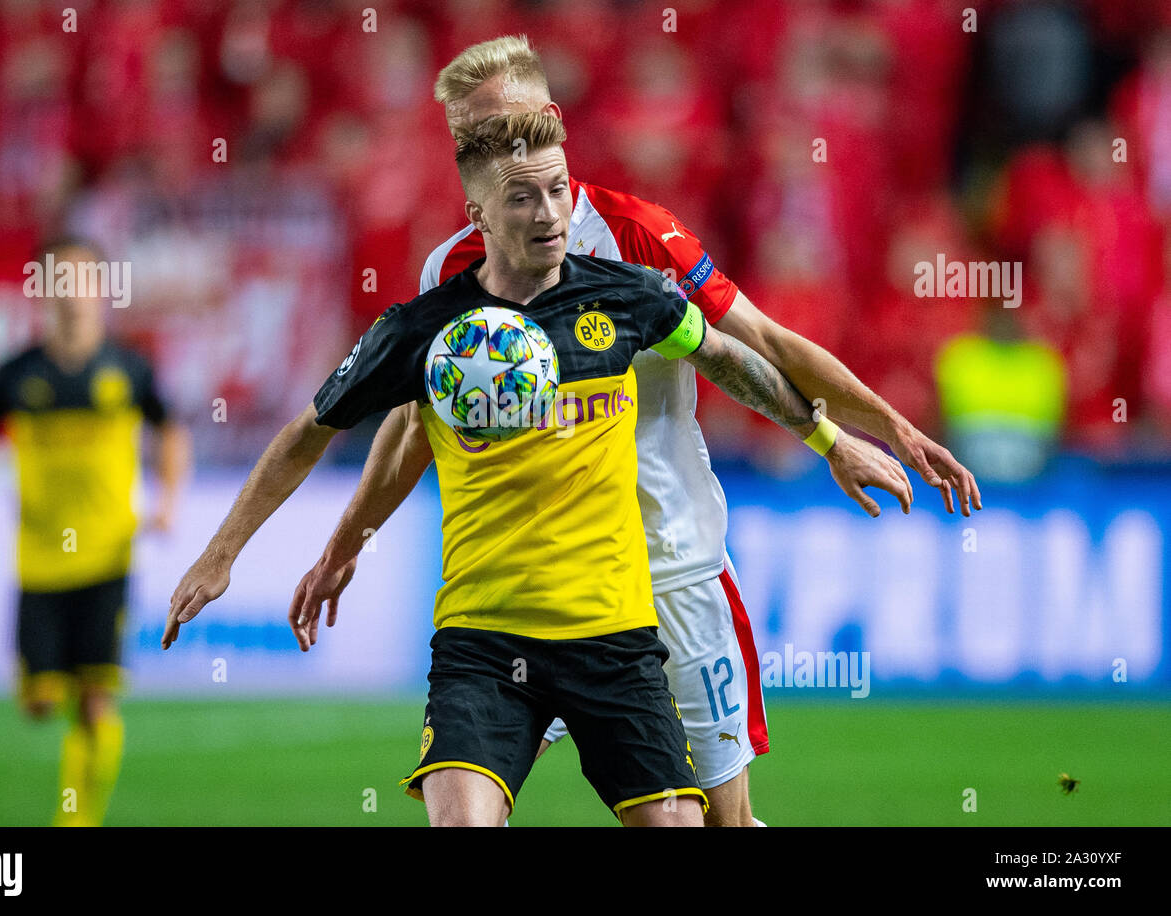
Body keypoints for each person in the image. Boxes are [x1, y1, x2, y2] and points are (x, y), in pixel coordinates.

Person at [292, 35, 981, 827]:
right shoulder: (453, 269)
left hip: (670, 568)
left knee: (721, 821)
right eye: (469, 140)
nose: (490, 149)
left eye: (503, 126)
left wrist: (878, 431)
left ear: (548, 119)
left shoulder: (637, 235)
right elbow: (416, 425)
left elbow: (766, 347)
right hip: (535, 588)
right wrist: (346, 544)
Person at [164, 113, 911, 827]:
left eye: (558, 189)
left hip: (615, 637)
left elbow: (731, 361)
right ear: (480, 216)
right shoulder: (425, 329)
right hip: (486, 637)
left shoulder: (629, 296)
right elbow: (309, 433)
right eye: (523, 197)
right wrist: (223, 552)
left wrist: (830, 441)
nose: (551, 212)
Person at [0, 238, 190, 827]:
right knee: (39, 703)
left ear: (102, 291)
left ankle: (77, 820)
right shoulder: (16, 373)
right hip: (39, 560)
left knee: (95, 700)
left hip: (108, 555)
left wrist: (166, 500)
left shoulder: (129, 368)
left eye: (83, 281)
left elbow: (172, 432)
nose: (72, 294)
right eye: (60, 281)